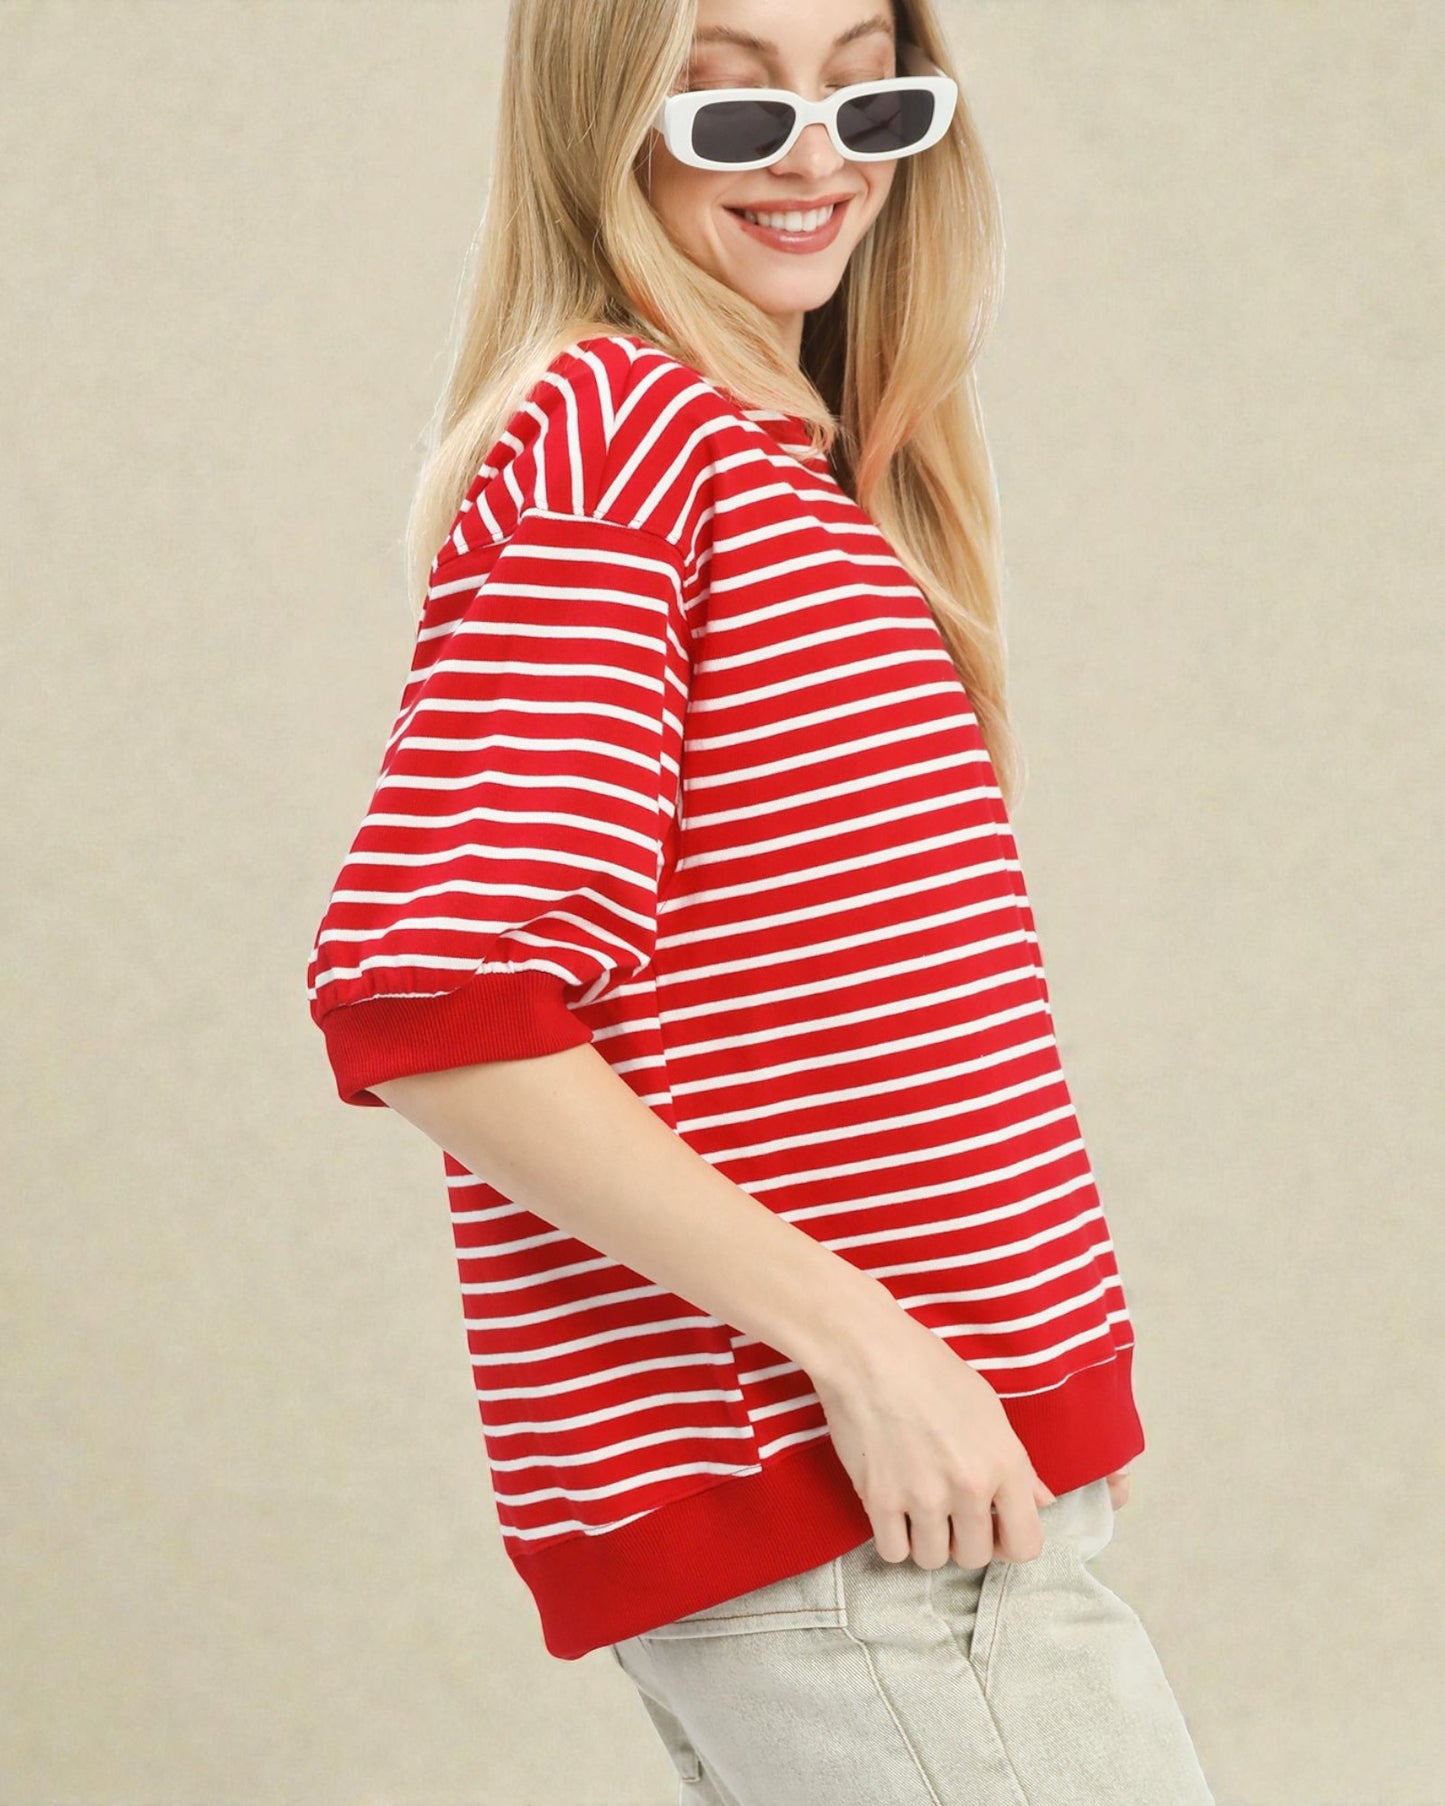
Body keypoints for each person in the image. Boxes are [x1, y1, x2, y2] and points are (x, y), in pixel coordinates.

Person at [304, 0, 1216, 1799]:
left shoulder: (783, 469)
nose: (815, 154)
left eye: (862, 86)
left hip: (925, 1527)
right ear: (606, 125)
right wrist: (871, 1351)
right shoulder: (616, 438)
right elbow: (433, 1003)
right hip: (865, 1536)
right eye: (725, 109)